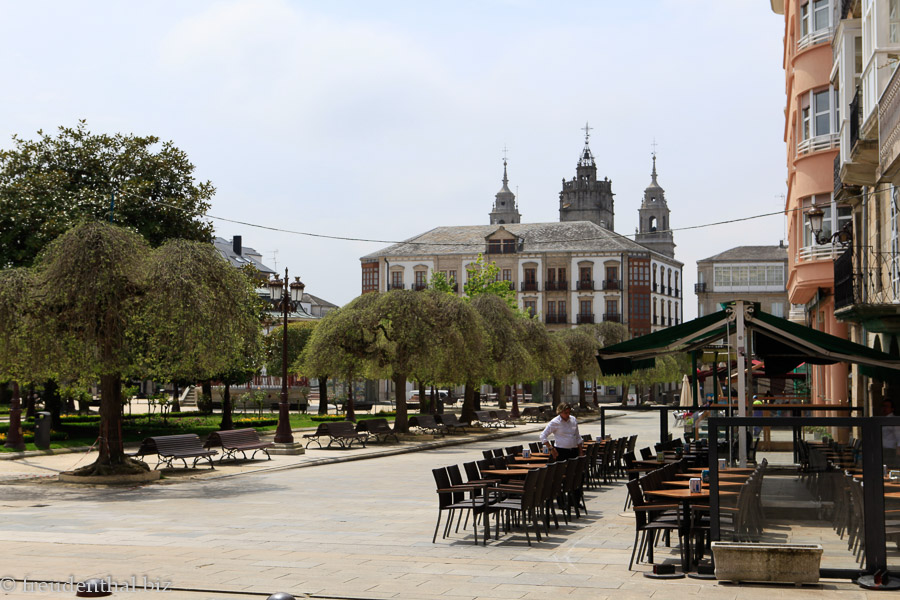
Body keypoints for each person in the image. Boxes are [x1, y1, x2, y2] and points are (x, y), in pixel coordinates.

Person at [882, 398, 900, 469]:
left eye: (886, 406)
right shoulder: (884, 420)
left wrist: (898, 451)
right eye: (883, 406)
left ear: (892, 409)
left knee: (889, 467)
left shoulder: (893, 420)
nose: (884, 408)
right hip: (884, 449)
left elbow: (899, 436)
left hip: (890, 450)